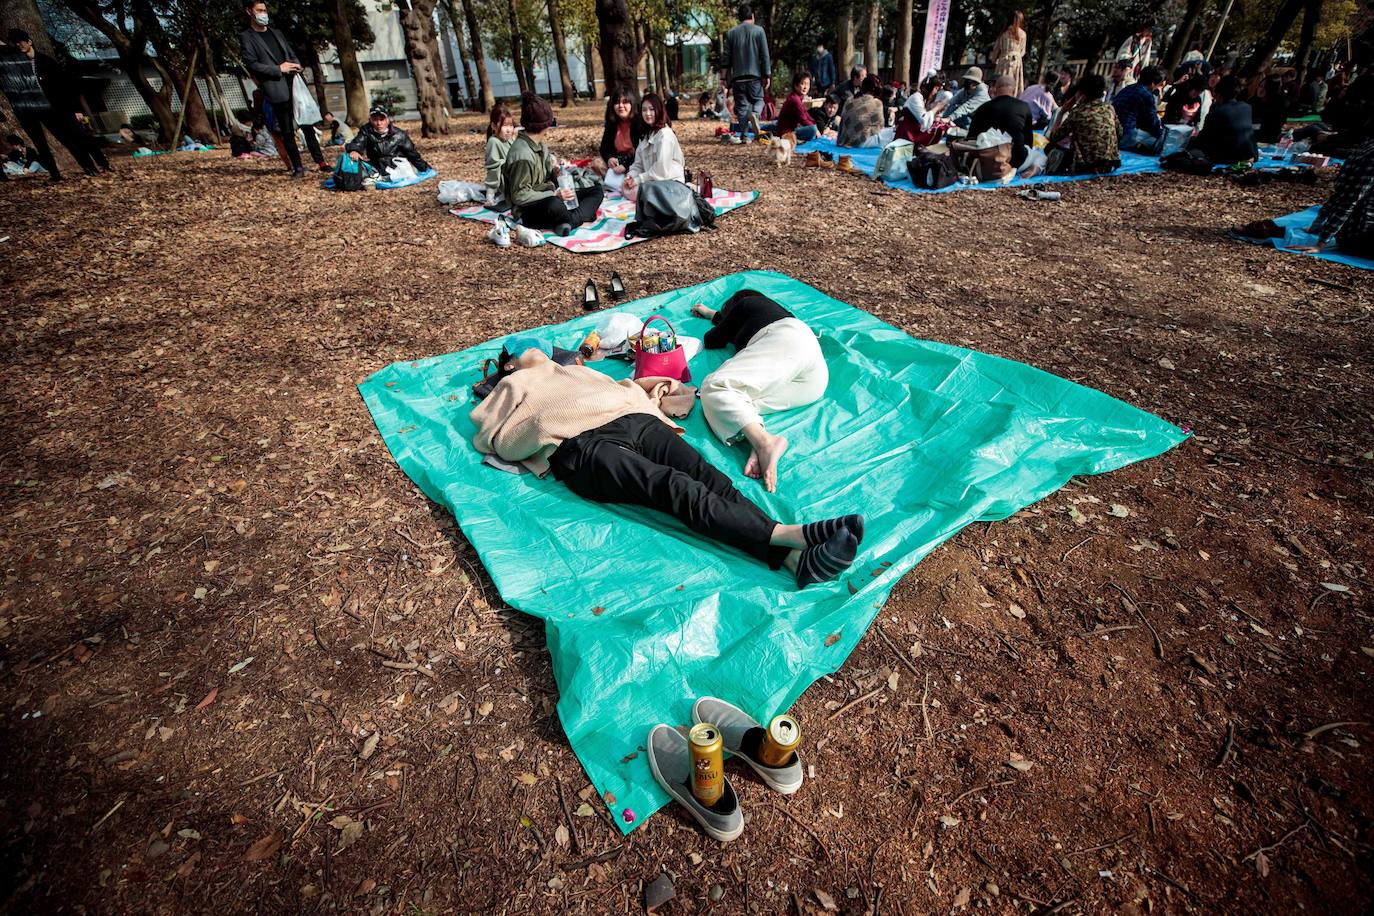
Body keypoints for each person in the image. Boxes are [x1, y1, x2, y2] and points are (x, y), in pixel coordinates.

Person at [471, 346, 864, 589]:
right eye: (525, 351)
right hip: (584, 444)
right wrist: (543, 424)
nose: (536, 353)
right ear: (509, 366)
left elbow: (622, 386)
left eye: (540, 348)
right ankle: (794, 534)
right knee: (672, 486)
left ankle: (796, 560)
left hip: (635, 420)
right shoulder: (512, 384)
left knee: (710, 477)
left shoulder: (576, 368)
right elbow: (500, 438)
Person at [692, 290, 828, 493]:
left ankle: (766, 443)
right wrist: (710, 313)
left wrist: (719, 318)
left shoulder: (747, 302)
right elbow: (726, 323)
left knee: (714, 386)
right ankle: (758, 439)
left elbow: (713, 339)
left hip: (787, 342)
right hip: (813, 382)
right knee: (742, 400)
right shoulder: (769, 312)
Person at [239, 1, 328, 178]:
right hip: (275, 87)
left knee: (307, 125)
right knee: (286, 130)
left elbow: (291, 53)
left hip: (294, 84)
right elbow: (252, 64)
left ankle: (321, 162)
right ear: (249, 12)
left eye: (265, 10)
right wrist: (279, 69)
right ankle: (298, 167)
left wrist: (296, 65)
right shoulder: (246, 37)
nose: (263, 13)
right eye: (259, 10)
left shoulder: (276, 33)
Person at [0, 31, 101, 180]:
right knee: (40, 144)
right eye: (15, 42)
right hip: (23, 109)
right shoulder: (11, 57)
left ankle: (88, 166)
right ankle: (55, 174)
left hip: (43, 105)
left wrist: (74, 108)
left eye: (20, 41)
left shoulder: (34, 60)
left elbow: (63, 84)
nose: (18, 45)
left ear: (29, 41)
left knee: (65, 138)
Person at [502, 91, 604, 236]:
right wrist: (554, 194)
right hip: (529, 210)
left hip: (548, 195)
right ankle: (579, 217)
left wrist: (556, 173)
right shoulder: (522, 155)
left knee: (596, 190)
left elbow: (547, 179)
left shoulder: (540, 145)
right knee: (556, 205)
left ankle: (568, 221)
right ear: (546, 125)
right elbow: (519, 196)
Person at [1298, 138, 1374, 258]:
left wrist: (1321, 243)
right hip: (1356, 229)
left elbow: (1350, 200)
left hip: (1360, 234)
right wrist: (1318, 228)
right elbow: (1344, 194)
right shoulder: (1367, 146)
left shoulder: (1369, 152)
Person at [1047, 72, 1122, 174]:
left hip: (1085, 165)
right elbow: (1120, 133)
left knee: (1050, 149)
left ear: (1082, 93)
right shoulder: (1109, 108)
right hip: (1109, 164)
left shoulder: (1078, 112)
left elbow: (1054, 137)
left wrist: (1061, 113)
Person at [720, 4, 771, 138]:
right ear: (752, 16)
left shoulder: (732, 33)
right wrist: (767, 74)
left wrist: (723, 78)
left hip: (738, 78)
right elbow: (764, 55)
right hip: (754, 76)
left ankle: (743, 135)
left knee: (742, 108)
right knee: (759, 100)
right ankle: (755, 114)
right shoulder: (759, 31)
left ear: (739, 18)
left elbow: (726, 57)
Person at [623, 93, 684, 202]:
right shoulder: (646, 135)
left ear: (659, 110)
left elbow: (661, 169)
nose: (648, 114)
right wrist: (630, 176)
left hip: (671, 185)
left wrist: (639, 179)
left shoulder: (665, 135)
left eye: (652, 109)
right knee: (625, 187)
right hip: (653, 183)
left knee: (637, 192)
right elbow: (638, 165)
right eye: (644, 110)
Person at [966, 75, 1033, 167]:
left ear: (995, 89)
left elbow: (970, 138)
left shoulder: (983, 108)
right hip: (1017, 161)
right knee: (1040, 157)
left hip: (986, 161)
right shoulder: (1024, 107)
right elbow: (1029, 141)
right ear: (1014, 89)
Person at [1187, 75, 1256, 164]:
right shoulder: (1246, 108)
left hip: (1227, 156)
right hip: (1248, 153)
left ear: (1218, 93)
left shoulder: (1218, 112)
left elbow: (1203, 139)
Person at [345, 106, 429, 176]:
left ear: (387, 120)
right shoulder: (366, 130)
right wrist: (354, 150)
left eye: (382, 119)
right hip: (375, 166)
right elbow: (359, 141)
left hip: (396, 167)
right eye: (375, 119)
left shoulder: (399, 135)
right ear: (370, 120)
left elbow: (412, 154)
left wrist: (425, 169)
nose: (379, 123)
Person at [1113, 65, 1165, 153]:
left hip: (1113, 132)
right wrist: (1160, 134)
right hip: (1124, 136)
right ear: (1153, 84)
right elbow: (1153, 121)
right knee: (1161, 140)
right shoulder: (1146, 95)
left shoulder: (1128, 88)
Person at [591, 88, 640, 178]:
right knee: (596, 164)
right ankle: (616, 181)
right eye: (617, 103)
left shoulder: (639, 123)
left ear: (631, 104)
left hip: (634, 161)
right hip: (617, 160)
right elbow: (604, 148)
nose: (620, 106)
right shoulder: (612, 123)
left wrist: (626, 166)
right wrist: (609, 158)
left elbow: (641, 151)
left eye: (625, 102)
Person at [761, 71, 818, 141]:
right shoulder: (795, 99)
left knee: (764, 127)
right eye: (802, 84)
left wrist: (814, 123)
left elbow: (806, 115)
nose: (805, 87)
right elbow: (803, 119)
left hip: (783, 126)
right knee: (812, 130)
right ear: (796, 85)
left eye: (808, 84)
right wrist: (815, 128)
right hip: (786, 131)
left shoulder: (799, 97)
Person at [895, 73, 949, 144]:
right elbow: (924, 121)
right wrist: (937, 108)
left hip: (912, 133)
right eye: (936, 88)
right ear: (929, 87)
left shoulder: (922, 98)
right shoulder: (916, 97)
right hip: (906, 135)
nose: (936, 92)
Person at [836, 74, 885, 147]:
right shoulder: (877, 103)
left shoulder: (849, 100)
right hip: (860, 142)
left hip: (843, 140)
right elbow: (880, 125)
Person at [483, 102, 516, 206]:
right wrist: (490, 194)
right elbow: (493, 168)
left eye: (511, 125)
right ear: (493, 126)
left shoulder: (510, 140)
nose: (508, 130)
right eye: (505, 125)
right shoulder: (494, 142)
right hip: (508, 181)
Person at [990, 11, 1027, 96]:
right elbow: (1022, 51)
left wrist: (994, 59)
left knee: (1005, 82)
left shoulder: (1006, 33)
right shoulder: (1006, 33)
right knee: (1007, 82)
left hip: (1009, 61)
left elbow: (996, 49)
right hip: (1011, 61)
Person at [1254, 73, 1288, 145]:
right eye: (1260, 86)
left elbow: (1278, 123)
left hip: (1269, 137)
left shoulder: (1278, 102)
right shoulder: (1256, 100)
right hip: (1260, 132)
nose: (1259, 89)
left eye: (1263, 87)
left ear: (1270, 88)